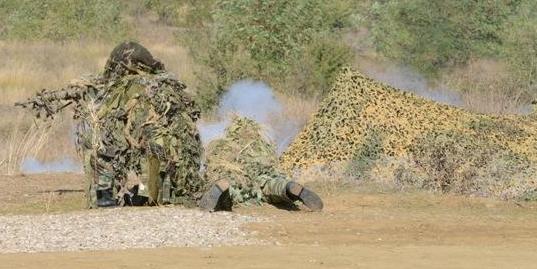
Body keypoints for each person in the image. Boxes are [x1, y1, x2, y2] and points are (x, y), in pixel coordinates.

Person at [18, 41, 322, 212]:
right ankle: (276, 188)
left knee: (140, 186)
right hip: (179, 154)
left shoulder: (116, 90)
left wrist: (44, 100)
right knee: (175, 188)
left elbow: (103, 141)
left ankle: (106, 201)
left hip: (152, 151)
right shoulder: (167, 86)